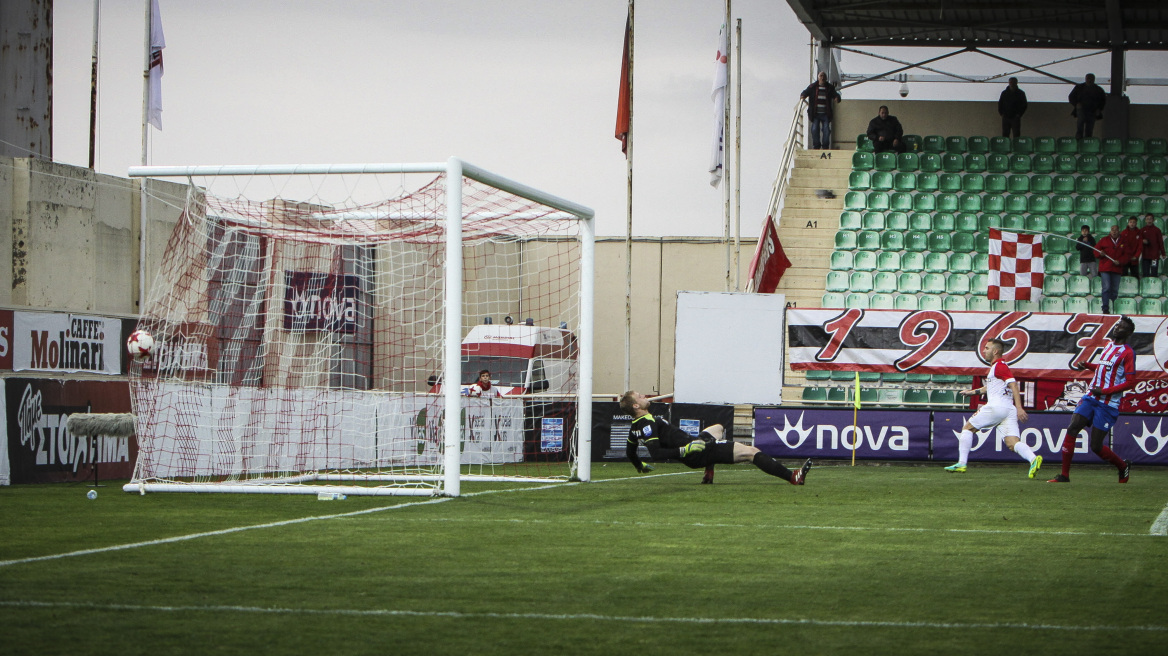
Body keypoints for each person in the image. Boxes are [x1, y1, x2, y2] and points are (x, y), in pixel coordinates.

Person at [622, 390, 811, 485]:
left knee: (718, 428)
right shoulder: (647, 424)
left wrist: (638, 465)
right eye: (639, 396)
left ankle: (708, 472)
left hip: (694, 445)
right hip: (695, 452)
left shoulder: (636, 425)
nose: (643, 396)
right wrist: (685, 450)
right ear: (636, 406)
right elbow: (656, 453)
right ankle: (794, 477)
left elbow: (630, 451)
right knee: (751, 452)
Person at [1049, 316, 1135, 483]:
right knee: (1073, 428)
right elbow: (1104, 369)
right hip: (1091, 397)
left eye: (1122, 327)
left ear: (1128, 333)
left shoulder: (1128, 353)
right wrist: (1088, 365)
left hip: (1107, 403)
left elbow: (1130, 382)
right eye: (1117, 325)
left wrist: (1105, 390)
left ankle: (1122, 466)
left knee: (1096, 446)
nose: (1117, 328)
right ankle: (1064, 475)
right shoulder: (1109, 345)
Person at [944, 339, 1041, 478]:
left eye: (987, 348)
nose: (984, 350)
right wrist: (973, 392)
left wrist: (1020, 408)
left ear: (995, 351)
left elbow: (1014, 385)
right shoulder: (998, 368)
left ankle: (961, 463)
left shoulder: (1000, 366)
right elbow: (991, 387)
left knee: (968, 428)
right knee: (1012, 443)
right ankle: (1033, 459)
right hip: (1008, 409)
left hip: (997, 406)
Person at [800, 71, 842, 150]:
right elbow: (805, 92)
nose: (823, 78)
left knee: (826, 130)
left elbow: (835, 94)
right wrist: (803, 95)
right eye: (821, 76)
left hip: (825, 113)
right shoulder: (812, 86)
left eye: (824, 76)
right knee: (815, 129)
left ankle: (825, 146)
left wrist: (837, 98)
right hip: (815, 113)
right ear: (818, 77)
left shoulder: (829, 87)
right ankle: (816, 146)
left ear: (826, 78)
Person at [1095, 224, 1125, 313]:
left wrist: (1120, 261)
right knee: (1106, 287)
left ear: (1119, 231)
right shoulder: (1104, 240)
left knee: (1115, 289)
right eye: (1112, 229)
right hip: (1105, 267)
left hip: (1117, 268)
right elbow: (1095, 251)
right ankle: (1105, 308)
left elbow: (1127, 254)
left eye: (1116, 229)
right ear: (1110, 231)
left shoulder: (1123, 241)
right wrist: (1100, 253)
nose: (1114, 231)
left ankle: (1113, 306)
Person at [1069, 73, 1106, 139]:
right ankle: (1079, 139)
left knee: (1089, 127)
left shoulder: (1098, 90)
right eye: (1088, 78)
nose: (1089, 80)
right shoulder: (1079, 87)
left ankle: (1087, 140)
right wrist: (1076, 104)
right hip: (1082, 109)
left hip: (1092, 110)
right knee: (1080, 124)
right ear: (1085, 79)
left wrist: (1099, 109)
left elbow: (1103, 100)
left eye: (1091, 79)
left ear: (1094, 80)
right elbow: (1071, 97)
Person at [1140, 213, 1164, 278]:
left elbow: (1160, 242)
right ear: (1145, 220)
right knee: (1145, 274)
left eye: (1150, 219)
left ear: (1153, 220)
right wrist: (1142, 241)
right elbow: (1139, 241)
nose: (1149, 220)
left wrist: (1163, 253)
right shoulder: (1142, 230)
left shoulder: (1157, 230)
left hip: (1154, 256)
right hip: (1145, 255)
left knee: (1154, 273)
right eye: (1147, 219)